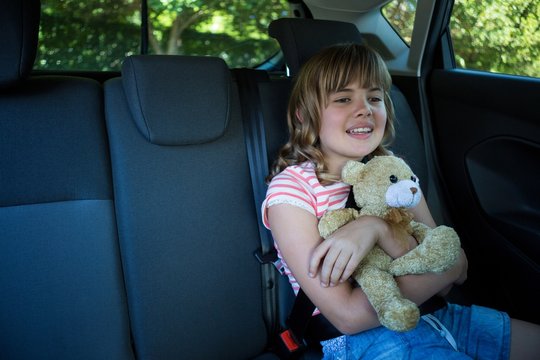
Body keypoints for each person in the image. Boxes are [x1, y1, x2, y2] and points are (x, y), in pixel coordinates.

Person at [262, 43, 540, 359]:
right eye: (343, 98)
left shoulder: (393, 172)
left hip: (442, 316)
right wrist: (442, 270)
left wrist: (376, 228)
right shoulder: (292, 191)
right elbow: (349, 317)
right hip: (370, 341)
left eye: (374, 98)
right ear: (305, 116)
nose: (364, 108)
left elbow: (457, 270)